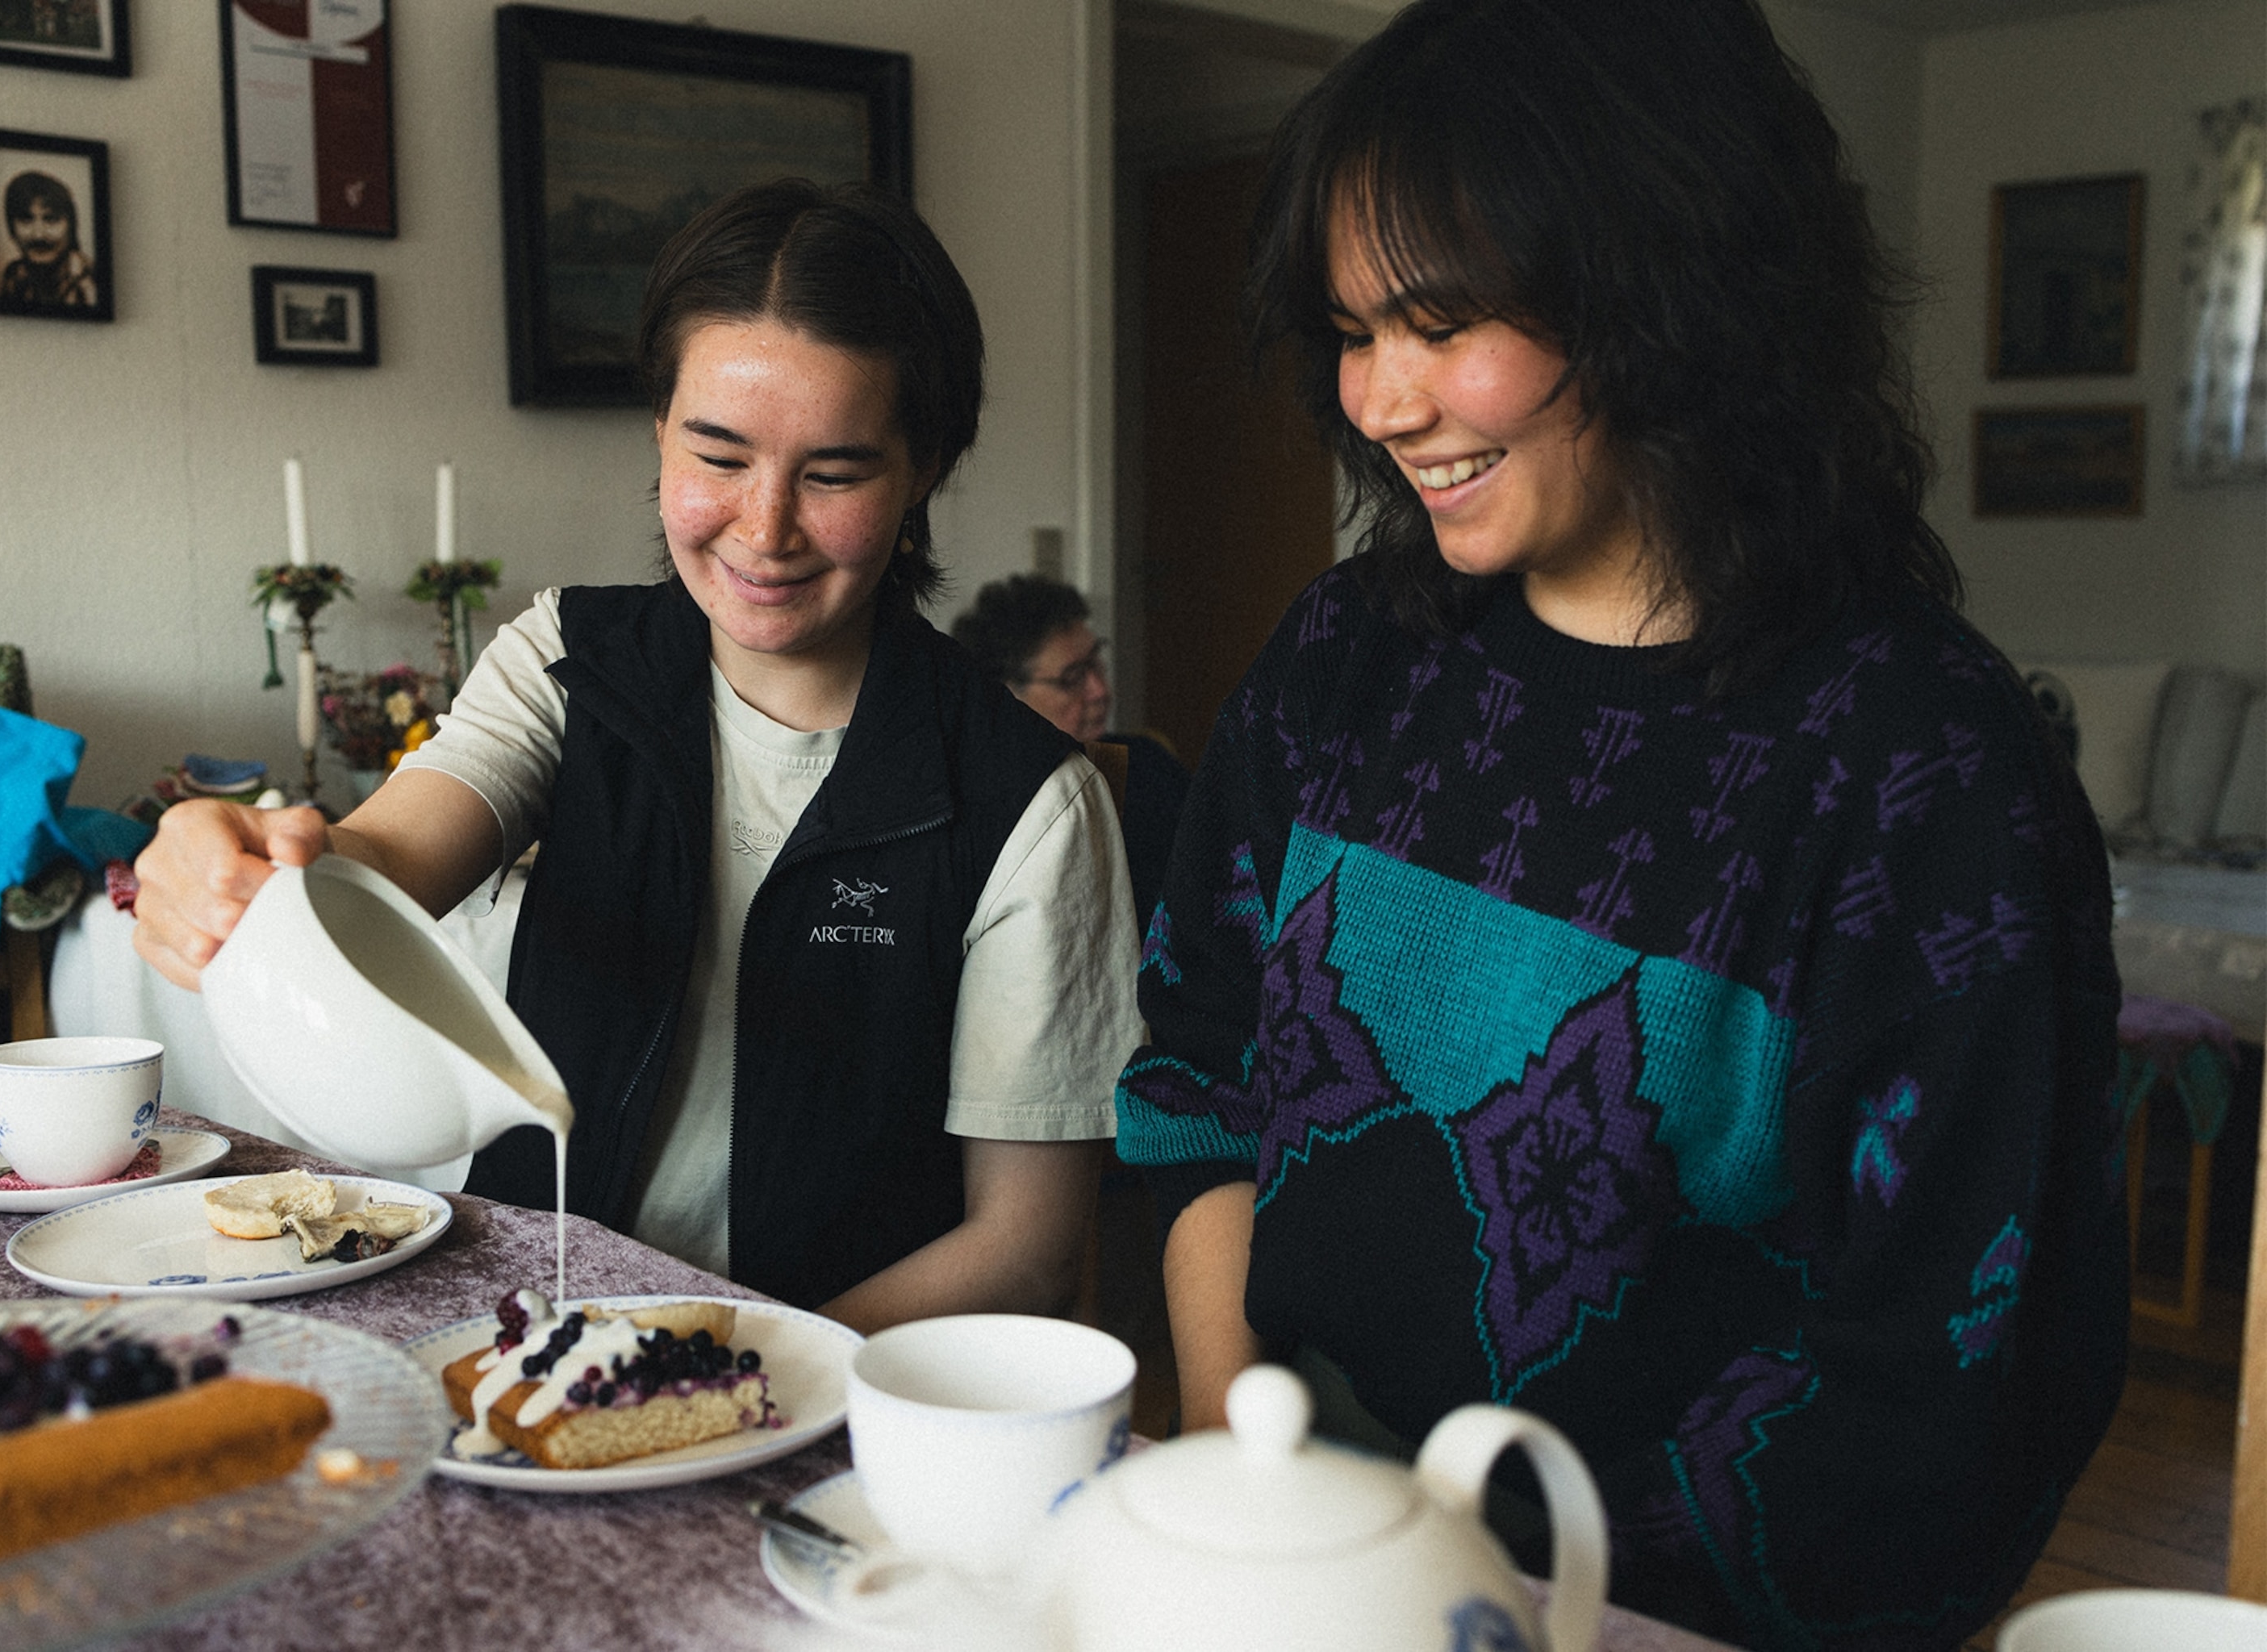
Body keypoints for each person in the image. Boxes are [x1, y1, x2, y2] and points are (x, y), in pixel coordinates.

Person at [1113, 4, 2125, 1649]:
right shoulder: (1342, 655)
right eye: (1353, 331)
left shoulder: (1920, 772)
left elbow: (1949, 1392)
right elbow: (1197, 1078)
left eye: (1439, 323)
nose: (1380, 400)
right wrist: (1264, 1493)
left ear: (1670, 290)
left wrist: (1516, 1611)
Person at [134, 179, 1141, 1332]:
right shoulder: (568, 660)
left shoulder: (1028, 802)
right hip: (515, 1340)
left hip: (820, 1389)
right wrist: (252, 869)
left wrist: (705, 1365)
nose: (765, 530)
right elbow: (377, 867)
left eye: (834, 474)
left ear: (924, 472)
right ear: (659, 430)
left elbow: (1025, 1252)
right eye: (717, 455)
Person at [950, 573, 1191, 929]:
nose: (1099, 691)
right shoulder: (974, 809)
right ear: (1004, 696)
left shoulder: (1149, 763)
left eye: (1096, 662)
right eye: (1073, 677)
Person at [0, 171, 97, 308]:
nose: (39, 235)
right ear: (11, 229)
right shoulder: (13, 277)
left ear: (71, 227)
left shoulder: (93, 281)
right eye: (26, 220)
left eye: (51, 219)